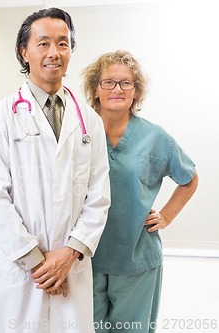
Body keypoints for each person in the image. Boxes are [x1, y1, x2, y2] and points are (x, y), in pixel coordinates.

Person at [0, 7, 111, 333]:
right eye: (43, 43)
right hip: (21, 271)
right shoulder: (0, 117)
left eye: (63, 44)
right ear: (24, 52)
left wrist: (68, 255)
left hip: (71, 265)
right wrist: (39, 264)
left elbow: (99, 194)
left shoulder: (89, 120)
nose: (54, 52)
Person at [81, 50, 198, 332]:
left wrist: (167, 216)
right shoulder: (79, 132)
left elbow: (189, 178)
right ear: (96, 89)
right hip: (86, 256)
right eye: (108, 82)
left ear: (136, 92)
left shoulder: (155, 137)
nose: (117, 89)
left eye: (126, 83)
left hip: (136, 257)